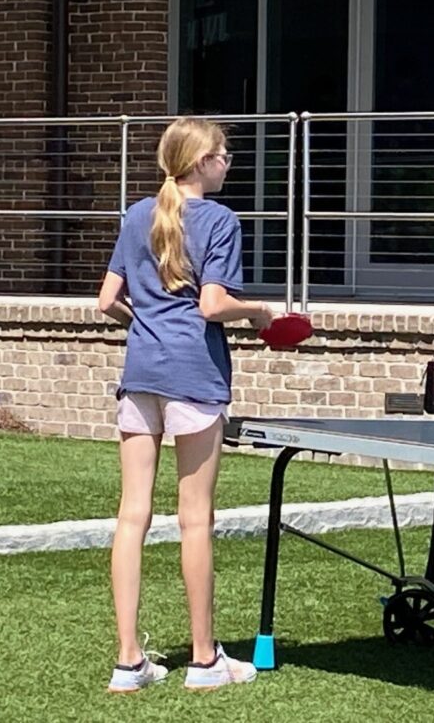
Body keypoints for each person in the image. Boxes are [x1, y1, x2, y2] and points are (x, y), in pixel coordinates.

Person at [98, 117, 275, 692]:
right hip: (195, 377)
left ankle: (129, 662)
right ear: (200, 162)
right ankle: (205, 661)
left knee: (132, 517)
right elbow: (213, 305)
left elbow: (107, 301)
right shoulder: (222, 220)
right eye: (223, 156)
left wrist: (146, 324)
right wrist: (261, 313)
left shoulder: (134, 214)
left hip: (140, 375)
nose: (229, 164)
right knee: (195, 518)